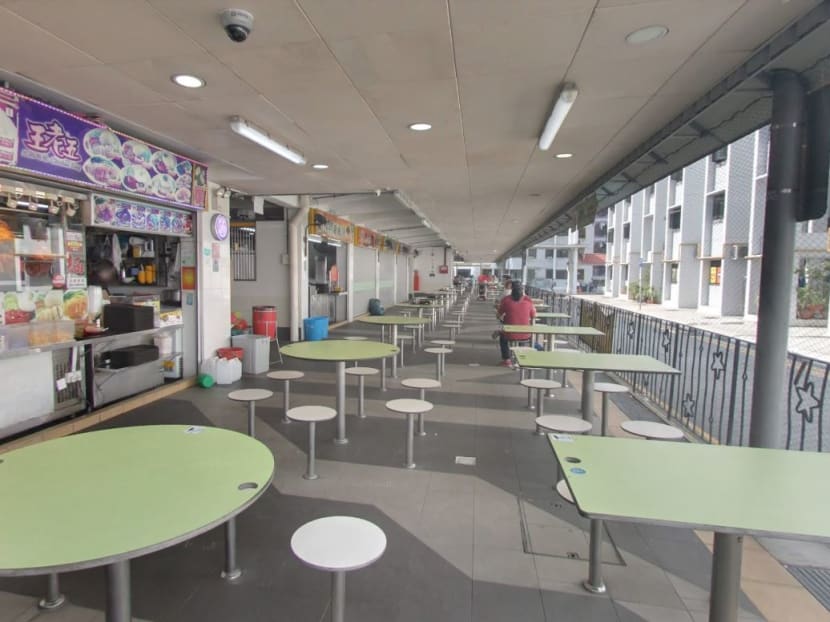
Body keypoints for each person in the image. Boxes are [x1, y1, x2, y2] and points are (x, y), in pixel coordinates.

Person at [495, 281, 536, 367]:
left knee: (503, 338)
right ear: (523, 289)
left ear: (511, 289)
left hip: (509, 334)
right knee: (523, 336)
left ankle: (507, 359)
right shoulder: (528, 300)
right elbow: (534, 315)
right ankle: (522, 357)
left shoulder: (506, 300)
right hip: (525, 334)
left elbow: (498, 315)